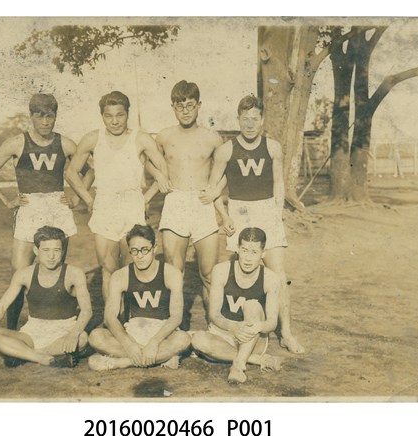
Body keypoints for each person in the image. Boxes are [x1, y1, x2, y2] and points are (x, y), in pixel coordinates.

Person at [200, 95, 305, 353]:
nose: (249, 124)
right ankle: (233, 328)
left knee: (278, 275)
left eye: (254, 119)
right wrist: (224, 217)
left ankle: (286, 333)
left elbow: (278, 183)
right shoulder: (226, 150)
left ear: (262, 120)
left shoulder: (273, 148)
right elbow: (212, 190)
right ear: (238, 119)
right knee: (238, 273)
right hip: (239, 213)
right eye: (245, 119)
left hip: (267, 211)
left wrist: (277, 213)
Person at [0, 94, 79, 331]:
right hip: (29, 207)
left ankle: (57, 328)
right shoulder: (17, 142)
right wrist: (6, 200)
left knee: (55, 271)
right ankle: (12, 329)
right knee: (19, 272)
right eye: (40, 116)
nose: (45, 122)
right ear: (31, 117)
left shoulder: (65, 143)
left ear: (55, 116)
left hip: (57, 208)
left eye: (50, 116)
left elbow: (89, 169)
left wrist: (76, 197)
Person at [65, 91, 170, 303]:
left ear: (127, 114)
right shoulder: (93, 138)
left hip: (132, 206)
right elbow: (71, 173)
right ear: (102, 116)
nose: (114, 121)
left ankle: (130, 316)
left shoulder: (140, 138)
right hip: (104, 206)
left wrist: (146, 198)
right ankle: (112, 317)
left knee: (132, 268)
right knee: (108, 269)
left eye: (120, 115)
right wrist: (88, 200)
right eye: (108, 116)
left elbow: (164, 170)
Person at [151, 80, 224, 323]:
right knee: (174, 271)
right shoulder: (164, 136)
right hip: (176, 201)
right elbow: (148, 160)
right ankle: (176, 326)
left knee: (209, 273)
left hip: (202, 202)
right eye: (179, 106)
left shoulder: (212, 138)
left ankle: (215, 325)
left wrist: (215, 190)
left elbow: (227, 169)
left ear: (199, 105)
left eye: (190, 105)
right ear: (173, 107)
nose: (185, 111)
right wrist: (159, 175)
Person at [0, 226, 92, 367]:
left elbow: (87, 310)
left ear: (62, 252)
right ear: (36, 251)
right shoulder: (24, 274)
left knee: (82, 338)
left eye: (56, 250)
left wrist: (73, 335)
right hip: (33, 331)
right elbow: (2, 306)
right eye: (46, 250)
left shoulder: (74, 273)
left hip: (64, 330)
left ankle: (22, 354)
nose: (51, 256)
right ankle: (44, 358)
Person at [88, 225, 191, 371]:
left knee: (183, 339)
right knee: (95, 336)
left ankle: (124, 362)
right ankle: (161, 357)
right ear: (129, 250)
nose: (140, 256)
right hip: (134, 332)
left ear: (154, 248)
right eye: (134, 251)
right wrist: (129, 344)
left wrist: (154, 342)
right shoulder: (120, 276)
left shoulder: (171, 273)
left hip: (162, 334)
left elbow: (176, 317)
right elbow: (109, 317)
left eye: (144, 249)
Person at [191, 227, 283, 384]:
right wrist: (233, 327)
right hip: (225, 332)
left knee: (251, 305)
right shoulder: (221, 270)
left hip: (252, 338)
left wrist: (255, 327)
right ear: (237, 249)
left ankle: (239, 365)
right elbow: (214, 314)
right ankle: (255, 359)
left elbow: (272, 323)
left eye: (254, 252)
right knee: (198, 340)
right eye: (244, 250)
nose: (248, 258)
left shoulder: (271, 278)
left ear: (263, 253)